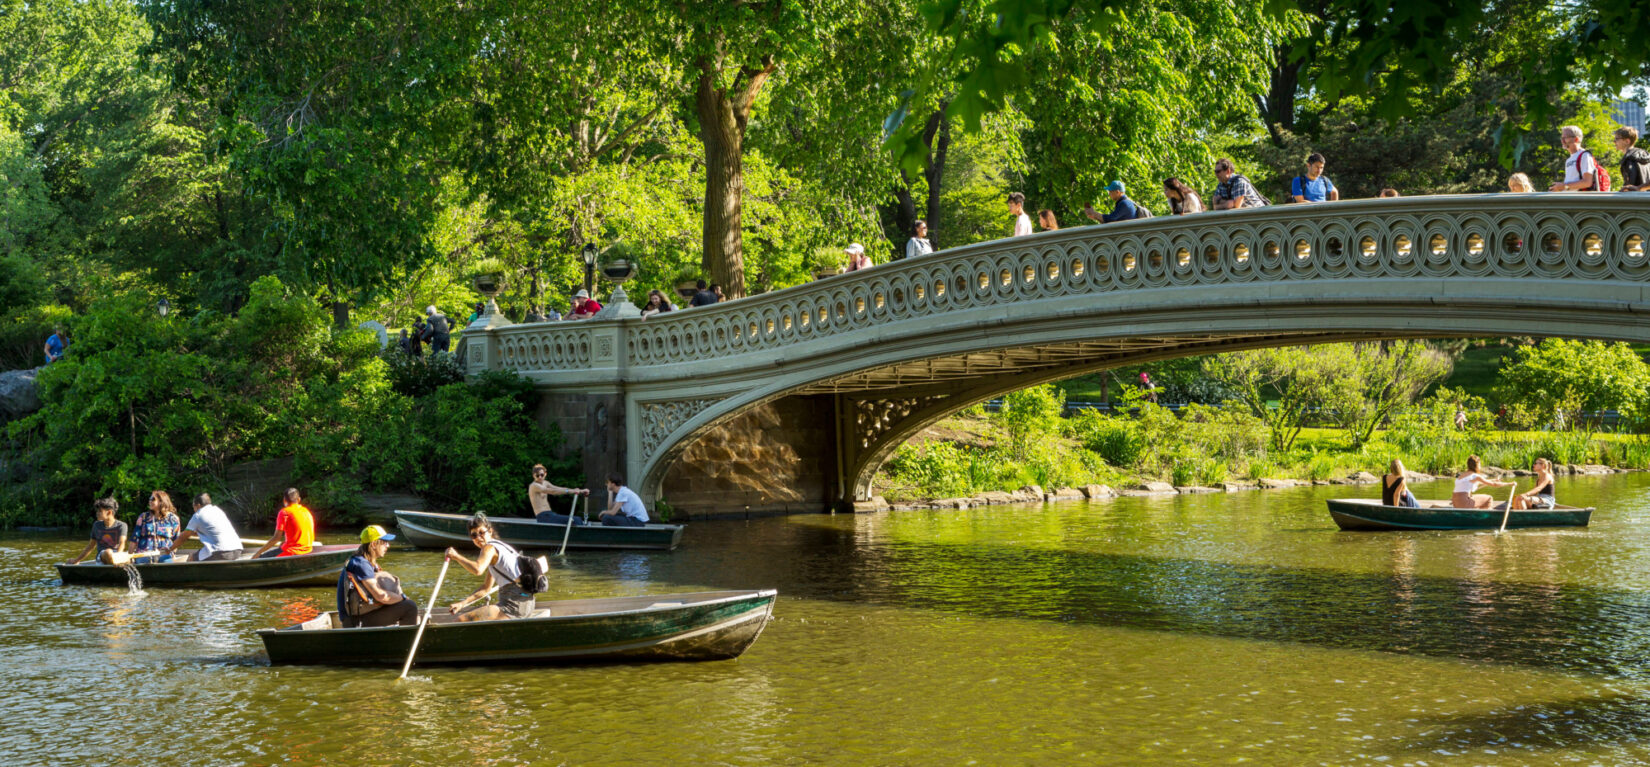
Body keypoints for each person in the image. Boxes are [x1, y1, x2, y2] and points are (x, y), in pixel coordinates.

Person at [445, 515, 536, 621]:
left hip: (513, 606)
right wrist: (462, 604)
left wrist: (456, 556)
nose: (478, 537)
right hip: (527, 604)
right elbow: (485, 588)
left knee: (459, 621)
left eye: (481, 532)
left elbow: (478, 569)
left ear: (490, 531)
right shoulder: (501, 548)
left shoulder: (489, 548)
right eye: (474, 535)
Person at [338, 525, 420, 628]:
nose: (388, 546)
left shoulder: (361, 561)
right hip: (354, 622)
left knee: (410, 610)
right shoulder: (361, 564)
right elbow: (381, 596)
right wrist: (403, 598)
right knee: (410, 607)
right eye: (384, 542)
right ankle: (406, 641)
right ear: (373, 544)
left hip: (356, 618)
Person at [166, 493, 244, 562]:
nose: (194, 509)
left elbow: (183, 538)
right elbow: (212, 531)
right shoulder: (217, 510)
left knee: (192, 558)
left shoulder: (198, 515)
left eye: (193, 506)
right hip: (237, 549)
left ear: (198, 505)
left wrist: (170, 549)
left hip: (221, 552)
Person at [252, 488, 314, 558]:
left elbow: (276, 538)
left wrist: (258, 553)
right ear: (299, 499)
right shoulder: (306, 511)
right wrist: (284, 543)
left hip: (292, 552)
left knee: (258, 558)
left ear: (284, 500)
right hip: (308, 550)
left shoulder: (284, 512)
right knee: (281, 546)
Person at [63, 498, 126, 565]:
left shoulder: (122, 525)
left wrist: (118, 557)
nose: (97, 513)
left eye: (100, 511)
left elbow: (122, 543)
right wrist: (76, 560)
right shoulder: (97, 525)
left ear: (109, 512)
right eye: (97, 511)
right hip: (102, 556)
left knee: (129, 557)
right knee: (108, 552)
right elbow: (91, 546)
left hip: (117, 554)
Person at [130, 490, 181, 564]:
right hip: (144, 553)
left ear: (161, 501)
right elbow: (134, 539)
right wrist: (130, 557)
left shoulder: (173, 519)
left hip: (165, 554)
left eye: (153, 499)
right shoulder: (143, 517)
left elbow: (177, 540)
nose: (150, 501)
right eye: (149, 499)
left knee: (167, 561)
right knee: (142, 561)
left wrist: (172, 552)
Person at [1549, 125, 1599, 192]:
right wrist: (1558, 189)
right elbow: (1570, 187)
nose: (1562, 141)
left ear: (1576, 139)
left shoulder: (1585, 155)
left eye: (1565, 138)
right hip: (1570, 200)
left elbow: (1587, 182)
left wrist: (1563, 186)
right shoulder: (1568, 160)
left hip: (1581, 201)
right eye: (1561, 138)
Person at [1615, 127, 1650, 191]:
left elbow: (1629, 186)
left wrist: (1637, 188)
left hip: (1636, 198)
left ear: (1627, 141)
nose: (1614, 142)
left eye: (1617, 139)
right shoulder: (1645, 154)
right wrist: (1640, 187)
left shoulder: (1629, 158)